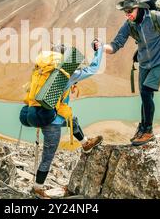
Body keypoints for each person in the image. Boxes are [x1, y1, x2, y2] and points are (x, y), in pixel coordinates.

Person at [94, 0, 160, 146]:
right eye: (125, 11)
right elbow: (116, 45)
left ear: (139, 7)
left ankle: (148, 131)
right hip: (144, 64)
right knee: (144, 96)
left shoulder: (156, 17)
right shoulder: (129, 24)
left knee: (146, 92)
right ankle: (142, 128)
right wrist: (101, 47)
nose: (127, 14)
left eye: (130, 10)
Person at [20, 44, 104, 199]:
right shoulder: (65, 74)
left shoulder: (41, 69)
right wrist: (99, 51)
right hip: (51, 120)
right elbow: (93, 69)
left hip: (34, 112)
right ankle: (37, 189)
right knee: (48, 155)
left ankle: (85, 143)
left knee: (72, 120)